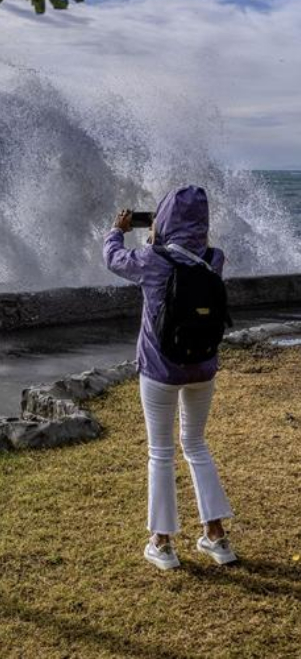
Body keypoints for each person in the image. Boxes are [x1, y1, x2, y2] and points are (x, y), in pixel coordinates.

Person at [104, 184, 236, 570]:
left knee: (161, 453)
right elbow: (190, 254)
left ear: (162, 220)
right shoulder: (215, 258)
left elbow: (113, 258)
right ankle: (217, 538)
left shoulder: (151, 259)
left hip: (160, 369)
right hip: (203, 368)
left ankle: (162, 545)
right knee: (195, 445)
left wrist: (118, 229)